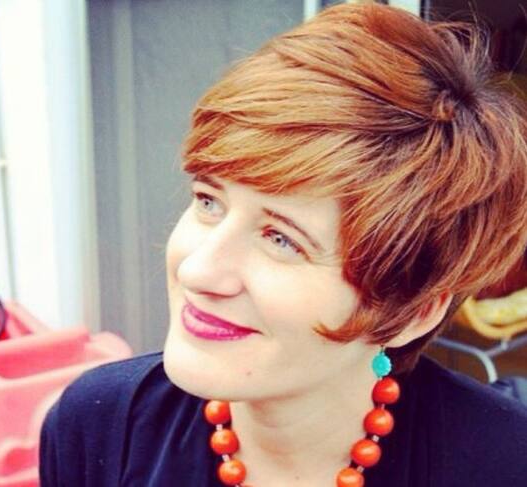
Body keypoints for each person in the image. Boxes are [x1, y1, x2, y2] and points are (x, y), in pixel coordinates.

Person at [39, 3, 527, 486]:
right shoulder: (99, 427)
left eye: (281, 239)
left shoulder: (504, 463)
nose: (196, 271)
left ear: (409, 312)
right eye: (209, 202)